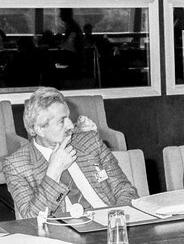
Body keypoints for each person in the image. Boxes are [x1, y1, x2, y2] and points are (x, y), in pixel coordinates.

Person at [3, 87, 137, 219]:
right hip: (62, 234)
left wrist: (116, 221)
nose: (71, 126)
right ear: (39, 129)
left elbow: (124, 189)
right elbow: (32, 219)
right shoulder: (16, 166)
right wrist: (53, 173)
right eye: (62, 121)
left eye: (68, 118)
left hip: (109, 221)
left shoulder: (90, 141)